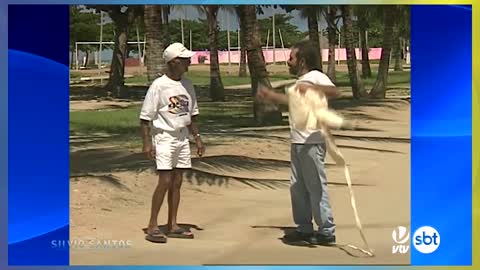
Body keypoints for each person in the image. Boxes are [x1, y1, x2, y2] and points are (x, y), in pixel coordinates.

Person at [256, 40, 339, 245]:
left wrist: (312, 88)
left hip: (312, 142)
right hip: (298, 142)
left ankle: (326, 231)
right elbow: (292, 102)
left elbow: (335, 92)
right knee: (297, 187)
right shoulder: (300, 81)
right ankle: (303, 227)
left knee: (315, 186)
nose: (288, 61)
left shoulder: (315, 77)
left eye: (291, 57)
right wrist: (270, 95)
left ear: (302, 60)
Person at [139, 42, 205, 243]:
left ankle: (173, 224)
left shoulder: (187, 84)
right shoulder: (159, 86)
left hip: (182, 137)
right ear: (174, 61)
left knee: (177, 181)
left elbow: (192, 114)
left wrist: (198, 139)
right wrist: (147, 143)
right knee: (165, 180)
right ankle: (152, 225)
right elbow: (145, 118)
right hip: (164, 137)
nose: (189, 63)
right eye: (185, 59)